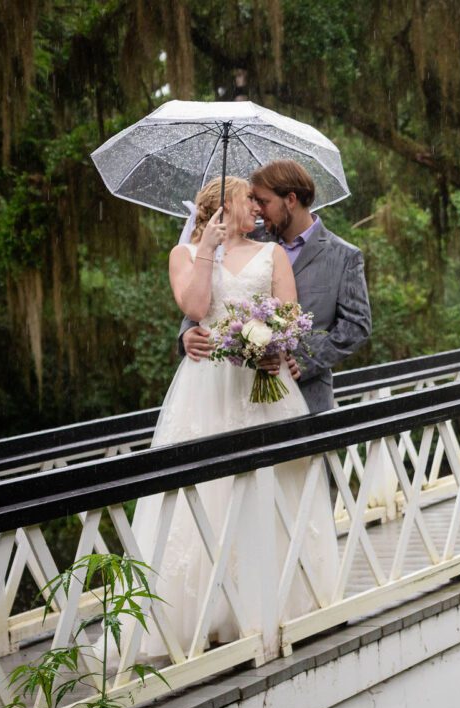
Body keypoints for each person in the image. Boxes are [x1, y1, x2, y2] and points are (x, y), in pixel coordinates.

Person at [126, 177, 338, 661]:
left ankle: (276, 606)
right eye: (249, 201)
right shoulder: (183, 255)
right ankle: (201, 615)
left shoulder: (274, 255)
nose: (259, 210)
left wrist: (274, 345)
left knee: (275, 485)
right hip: (208, 389)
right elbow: (196, 308)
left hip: (266, 388)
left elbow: (289, 315)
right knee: (207, 494)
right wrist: (207, 249)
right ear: (223, 206)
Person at [180, 160, 372, 413]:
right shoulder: (245, 239)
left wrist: (304, 361)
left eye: (264, 201)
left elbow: (357, 326)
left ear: (290, 199)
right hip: (233, 390)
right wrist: (187, 332)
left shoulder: (343, 256)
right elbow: (213, 289)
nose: (257, 210)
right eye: (253, 201)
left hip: (306, 392)